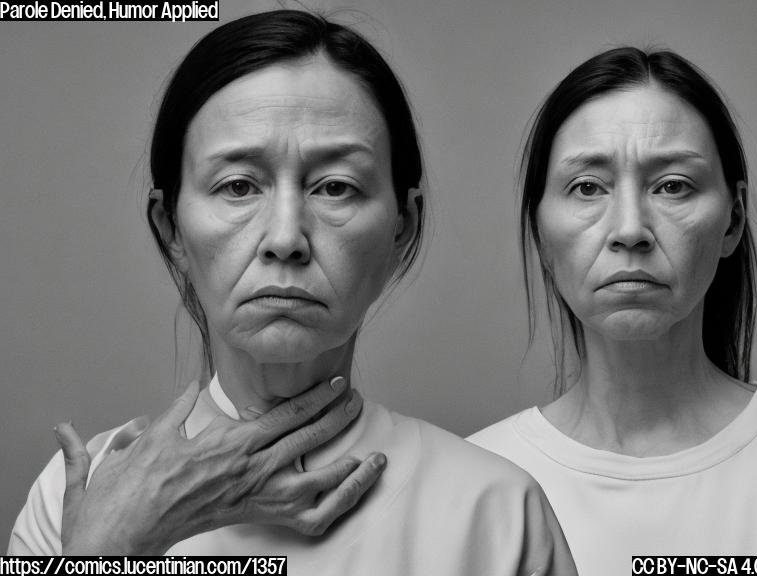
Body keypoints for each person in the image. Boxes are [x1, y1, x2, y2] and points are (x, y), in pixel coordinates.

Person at [10, 11, 576, 575]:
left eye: (335, 187)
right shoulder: (75, 499)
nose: (285, 238)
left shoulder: (498, 513)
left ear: (401, 227)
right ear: (170, 227)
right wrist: (109, 547)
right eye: (238, 186)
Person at [469, 47, 757, 571]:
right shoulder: (471, 489)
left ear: (733, 220)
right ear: (539, 229)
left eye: (673, 185)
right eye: (587, 187)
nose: (630, 229)